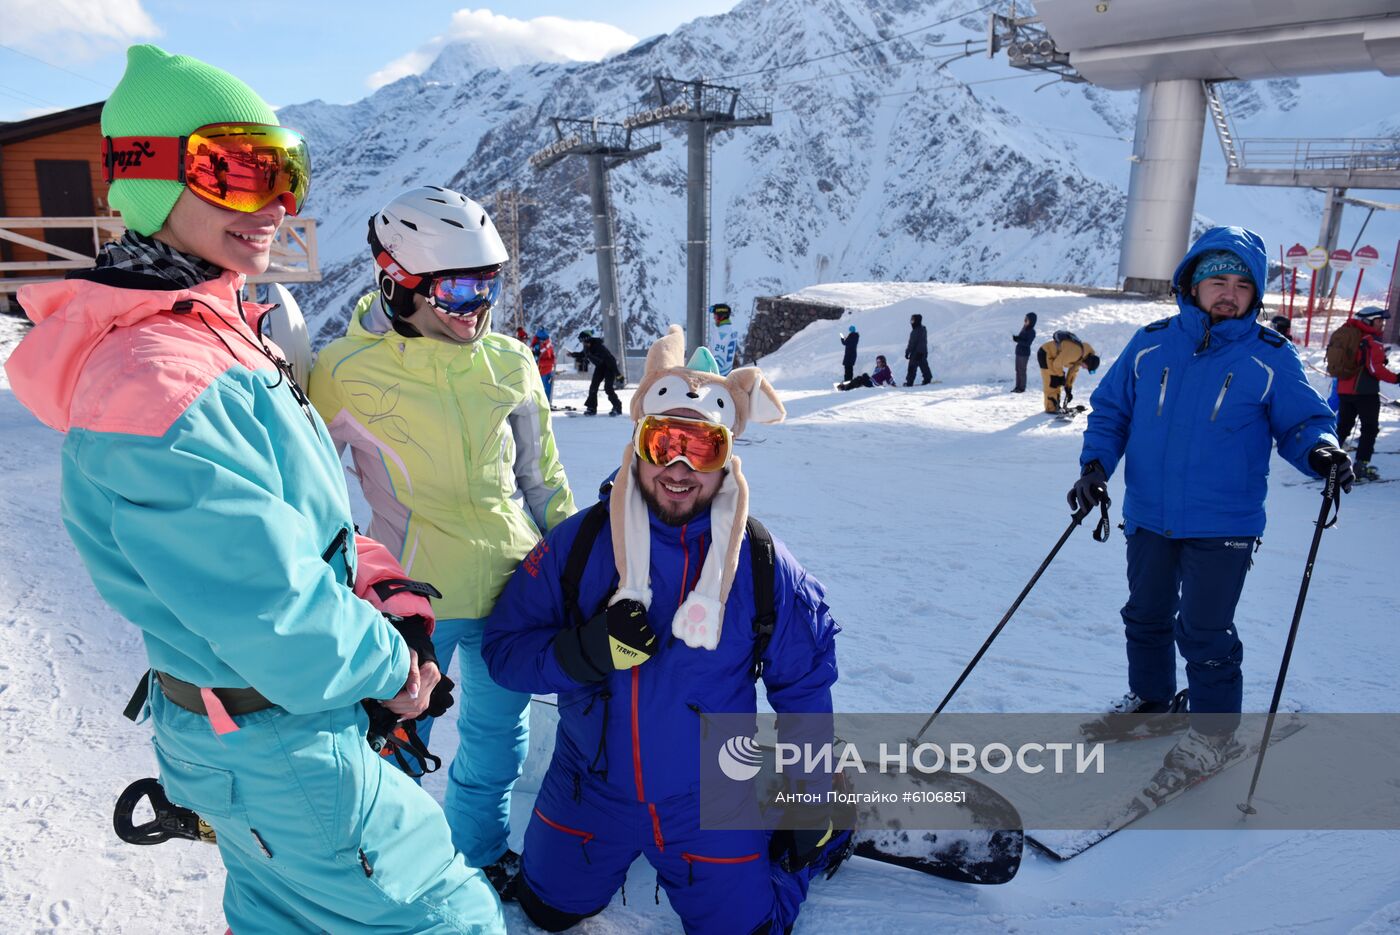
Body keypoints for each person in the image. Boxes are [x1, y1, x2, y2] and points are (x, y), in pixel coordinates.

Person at [4, 46, 504, 933]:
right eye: (238, 169)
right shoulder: (155, 379)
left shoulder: (220, 331)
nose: (277, 203)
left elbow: (304, 524)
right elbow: (276, 615)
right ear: (149, 177)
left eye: (289, 172)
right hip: (281, 738)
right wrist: (395, 668)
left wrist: (384, 590)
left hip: (270, 736)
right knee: (450, 915)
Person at [481, 327, 848, 934]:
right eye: (665, 441)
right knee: (546, 910)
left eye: (701, 448)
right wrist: (582, 652)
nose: (679, 466)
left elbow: (803, 685)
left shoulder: (759, 562)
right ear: (639, 442)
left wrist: (810, 794)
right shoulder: (579, 545)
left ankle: (801, 838)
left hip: (710, 796)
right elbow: (504, 652)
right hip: (590, 787)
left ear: (727, 457)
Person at [309, 187, 576, 894]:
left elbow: (541, 478)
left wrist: (576, 564)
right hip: (413, 599)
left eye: (488, 285)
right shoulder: (341, 373)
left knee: (496, 747)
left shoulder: (511, 362)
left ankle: (479, 857)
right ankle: (394, 873)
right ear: (398, 282)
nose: (477, 306)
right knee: (397, 743)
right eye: (459, 288)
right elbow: (306, 490)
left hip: (513, 594)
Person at [1068, 226, 1351, 796]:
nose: (1228, 293)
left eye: (1241, 284)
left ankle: (1214, 736)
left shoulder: (1269, 356)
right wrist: (1096, 466)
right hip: (1149, 513)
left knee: (1204, 630)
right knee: (1144, 615)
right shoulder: (1150, 344)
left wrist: (1321, 451)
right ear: (1190, 285)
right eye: (1216, 280)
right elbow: (1111, 412)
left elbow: (1302, 421)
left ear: (1254, 295)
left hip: (1224, 522)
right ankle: (1152, 701)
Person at [1332, 306, 1398, 480]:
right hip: (1365, 392)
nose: (1381, 325)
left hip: (1344, 390)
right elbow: (1374, 368)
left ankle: (1329, 463)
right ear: (1368, 321)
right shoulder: (1371, 340)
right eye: (1379, 321)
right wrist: (1396, 378)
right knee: (1369, 429)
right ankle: (1361, 466)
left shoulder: (1347, 333)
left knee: (1343, 427)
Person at [1038, 329, 1100, 414]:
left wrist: (1068, 388)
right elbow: (1057, 364)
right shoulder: (1076, 353)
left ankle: (1055, 406)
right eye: (1087, 368)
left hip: (1054, 358)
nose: (1084, 368)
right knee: (1053, 382)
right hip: (1046, 353)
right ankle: (1051, 408)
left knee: (1057, 381)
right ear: (1088, 362)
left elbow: (1072, 372)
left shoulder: (1081, 356)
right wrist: (1060, 376)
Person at [579, 329, 622, 415]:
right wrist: (572, 354)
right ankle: (591, 408)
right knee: (593, 387)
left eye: (582, 340)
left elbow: (611, 360)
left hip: (609, 367)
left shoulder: (599, 347)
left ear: (587, 339)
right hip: (600, 367)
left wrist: (618, 374)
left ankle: (617, 407)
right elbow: (583, 354)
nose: (581, 343)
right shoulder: (587, 347)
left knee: (608, 388)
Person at [1012, 312, 1037, 392]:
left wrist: (1018, 340)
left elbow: (1027, 343)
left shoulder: (1032, 331)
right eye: (1025, 318)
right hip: (1018, 351)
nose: (1025, 320)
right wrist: (1017, 338)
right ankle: (1017, 387)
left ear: (1031, 321)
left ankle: (1022, 388)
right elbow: (1021, 338)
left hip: (1024, 353)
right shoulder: (1024, 328)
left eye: (1027, 319)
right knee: (1017, 370)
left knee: (1022, 371)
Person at [903, 313, 931, 386]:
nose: (911, 322)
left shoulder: (915, 331)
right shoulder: (923, 329)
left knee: (912, 367)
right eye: (911, 320)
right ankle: (927, 378)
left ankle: (909, 382)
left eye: (913, 320)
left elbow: (912, 343)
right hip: (923, 352)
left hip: (916, 353)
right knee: (923, 365)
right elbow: (922, 342)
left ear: (917, 321)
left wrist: (907, 352)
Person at [535, 327, 558, 403]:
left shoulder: (548, 345)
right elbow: (538, 361)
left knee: (548, 388)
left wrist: (553, 360)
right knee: (541, 389)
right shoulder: (537, 347)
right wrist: (551, 361)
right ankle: (542, 403)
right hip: (542, 372)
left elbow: (552, 356)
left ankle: (546, 402)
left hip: (548, 371)